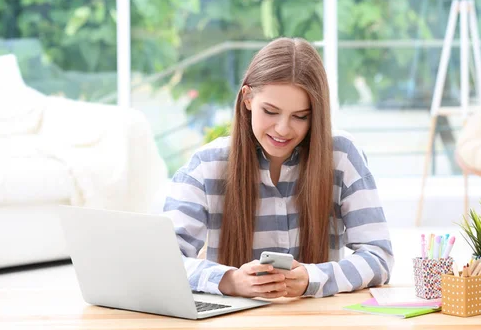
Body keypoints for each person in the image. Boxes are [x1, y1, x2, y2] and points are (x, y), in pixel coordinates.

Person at [162, 37, 394, 298]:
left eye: (300, 116)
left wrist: (312, 278)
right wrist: (230, 281)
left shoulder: (341, 155)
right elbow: (163, 262)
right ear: (247, 98)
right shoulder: (207, 165)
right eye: (270, 112)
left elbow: (378, 256)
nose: (283, 129)